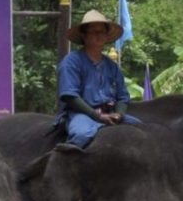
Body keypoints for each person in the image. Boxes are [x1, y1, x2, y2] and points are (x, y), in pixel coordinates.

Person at [56, 9, 140, 148]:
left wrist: (119, 114)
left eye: (102, 32)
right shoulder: (71, 61)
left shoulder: (112, 66)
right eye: (94, 31)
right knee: (82, 135)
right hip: (82, 115)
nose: (99, 35)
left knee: (142, 131)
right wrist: (97, 116)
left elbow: (123, 97)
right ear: (84, 35)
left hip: (111, 114)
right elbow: (69, 95)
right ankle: (63, 161)